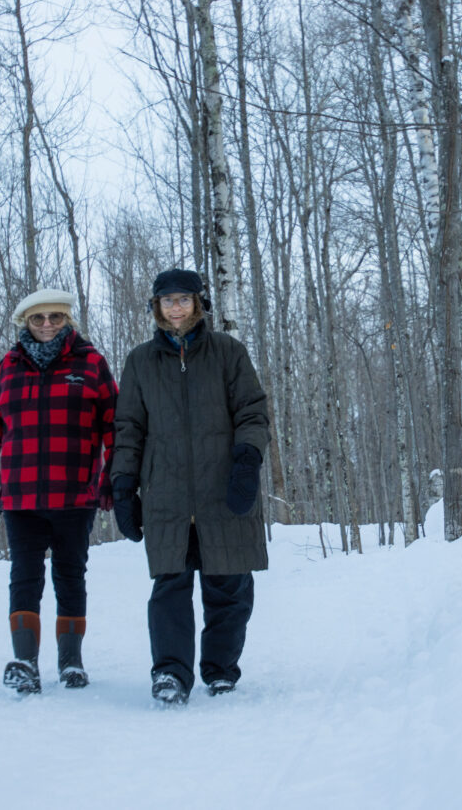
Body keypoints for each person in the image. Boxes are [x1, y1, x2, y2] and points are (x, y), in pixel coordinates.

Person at [112, 268, 269, 705]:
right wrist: (123, 484)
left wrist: (247, 459)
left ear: (198, 303)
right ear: (156, 306)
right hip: (167, 495)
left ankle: (220, 671)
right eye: (168, 300)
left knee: (229, 586)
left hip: (225, 488)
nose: (176, 307)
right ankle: (170, 674)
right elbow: (128, 428)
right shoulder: (140, 361)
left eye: (184, 299)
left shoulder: (227, 352)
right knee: (170, 588)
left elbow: (252, 412)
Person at [0, 289, 117, 694]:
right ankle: (25, 662)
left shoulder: (91, 363)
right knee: (24, 577)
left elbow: (114, 427)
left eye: (55, 318)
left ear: (69, 322)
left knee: (70, 575)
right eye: (38, 318)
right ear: (25, 323)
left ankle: (71, 663)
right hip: (21, 494)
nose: (47, 324)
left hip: (74, 493)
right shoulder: (9, 366)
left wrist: (112, 478)